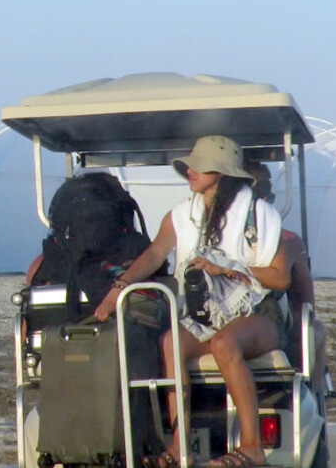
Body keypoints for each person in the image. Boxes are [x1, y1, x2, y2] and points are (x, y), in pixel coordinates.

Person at [94, 135, 290, 468]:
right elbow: (156, 253)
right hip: (206, 312)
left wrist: (227, 268)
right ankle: (180, 444)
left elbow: (280, 278)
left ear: (223, 172)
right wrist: (120, 288)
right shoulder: (181, 216)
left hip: (257, 312)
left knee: (225, 343)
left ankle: (252, 447)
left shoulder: (259, 216)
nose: (190, 171)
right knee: (171, 343)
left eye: (200, 166)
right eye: (190, 165)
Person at [243, 161, 328, 395]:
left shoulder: (207, 232)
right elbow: (306, 303)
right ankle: (314, 394)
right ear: (267, 198)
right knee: (317, 330)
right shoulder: (288, 241)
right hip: (268, 328)